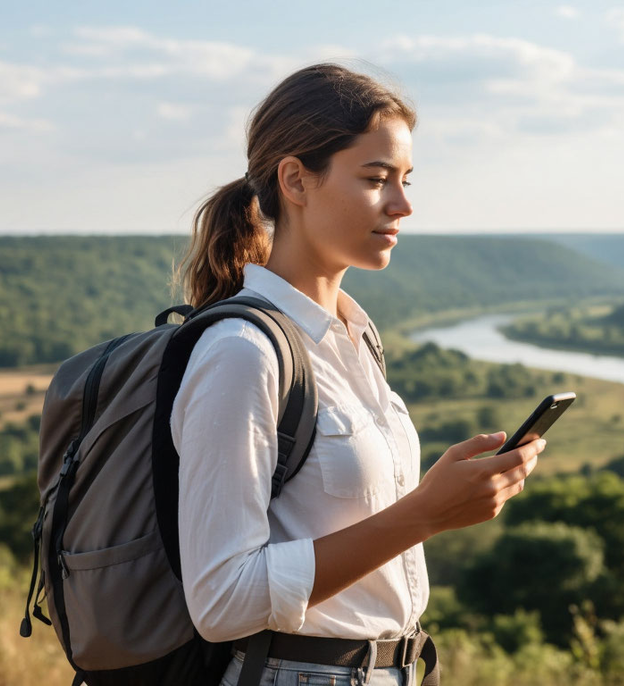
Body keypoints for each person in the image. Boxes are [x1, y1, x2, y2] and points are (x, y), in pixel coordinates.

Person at [170, 62, 546, 686]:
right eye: (376, 179)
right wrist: (425, 514)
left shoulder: (354, 338)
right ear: (295, 179)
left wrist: (439, 501)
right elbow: (222, 601)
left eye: (405, 179)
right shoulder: (242, 353)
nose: (403, 204)